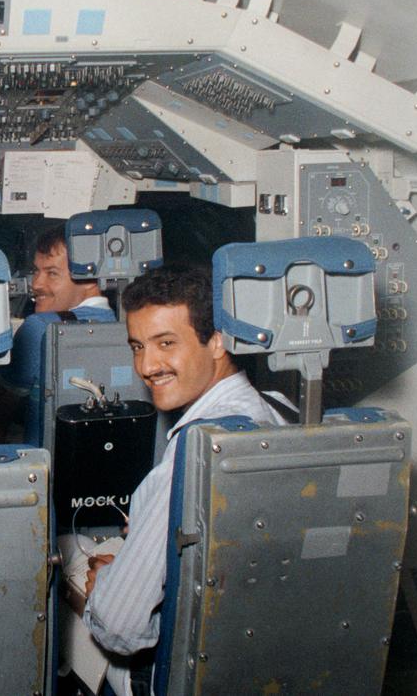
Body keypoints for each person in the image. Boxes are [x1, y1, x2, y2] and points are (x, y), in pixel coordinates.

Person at [82, 265, 287, 696]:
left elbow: (120, 628)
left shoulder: (191, 455)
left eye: (166, 344)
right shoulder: (278, 408)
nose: (146, 366)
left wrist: (105, 588)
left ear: (217, 341)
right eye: (137, 346)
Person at [0, 224, 115, 442]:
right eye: (36, 270)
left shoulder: (41, 329)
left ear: (91, 280)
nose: (36, 283)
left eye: (52, 273)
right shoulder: (127, 326)